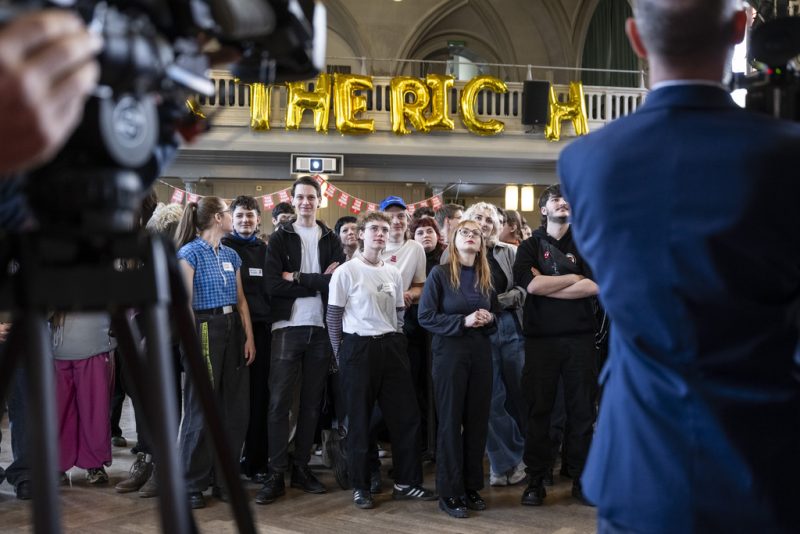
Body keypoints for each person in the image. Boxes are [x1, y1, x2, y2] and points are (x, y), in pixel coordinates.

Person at [558, 1, 800, 532]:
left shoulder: (586, 161)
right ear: (739, 29)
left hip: (639, 464)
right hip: (763, 458)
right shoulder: (785, 155)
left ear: (636, 38)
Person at [327, 211, 436, 510]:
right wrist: (340, 354)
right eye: (374, 228)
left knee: (407, 417)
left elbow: (399, 312)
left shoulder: (392, 272)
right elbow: (333, 317)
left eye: (384, 230)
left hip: (392, 345)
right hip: (358, 347)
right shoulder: (346, 271)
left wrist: (396, 338)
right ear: (361, 234)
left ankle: (406, 483)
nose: (380, 234)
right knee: (360, 420)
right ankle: (361, 486)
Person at [257, 176, 345, 505]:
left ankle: (301, 467)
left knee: (311, 404)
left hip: (321, 328)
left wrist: (296, 277)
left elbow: (337, 283)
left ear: (320, 200)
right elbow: (271, 285)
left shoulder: (330, 238)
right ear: (293, 201)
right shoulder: (280, 238)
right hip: (287, 327)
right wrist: (317, 282)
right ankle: (275, 472)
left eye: (311, 197)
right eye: (301, 197)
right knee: (279, 403)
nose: (306, 202)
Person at [513, 184, 599, 507]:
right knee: (539, 411)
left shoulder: (587, 243)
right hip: (541, 342)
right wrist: (575, 278)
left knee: (582, 411)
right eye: (555, 199)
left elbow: (595, 286)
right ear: (543, 209)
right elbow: (532, 285)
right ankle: (536, 479)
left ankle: (581, 479)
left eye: (567, 199)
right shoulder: (529, 246)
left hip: (580, 339)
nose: (563, 203)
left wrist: (552, 285)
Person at [175, 196, 256, 509]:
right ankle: (191, 482)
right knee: (201, 408)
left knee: (235, 409)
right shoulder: (189, 253)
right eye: (228, 212)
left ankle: (225, 479)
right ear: (217, 218)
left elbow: (241, 301)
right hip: (204, 328)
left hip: (233, 329)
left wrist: (249, 338)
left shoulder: (232, 255)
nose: (232, 217)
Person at [418, 219, 498, 519]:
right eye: (464, 232)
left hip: (480, 353)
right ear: (453, 240)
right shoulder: (440, 274)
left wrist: (489, 318)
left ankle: (471, 486)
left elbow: (496, 313)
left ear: (481, 243)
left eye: (476, 233)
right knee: (450, 423)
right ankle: (450, 492)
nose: (471, 236)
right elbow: (426, 316)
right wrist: (462, 321)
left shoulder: (484, 275)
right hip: (450, 353)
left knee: (477, 422)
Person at [461, 202, 527, 487]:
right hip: (478, 331)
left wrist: (495, 303)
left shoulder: (509, 251)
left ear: (497, 226)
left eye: (489, 220)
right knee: (489, 399)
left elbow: (523, 289)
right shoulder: (458, 252)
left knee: (520, 395)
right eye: (478, 217)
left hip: (510, 325)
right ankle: (506, 459)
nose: (483, 223)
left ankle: (525, 458)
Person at [222, 195, 272, 484]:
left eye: (250, 215)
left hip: (262, 331)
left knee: (259, 397)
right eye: (239, 215)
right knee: (231, 399)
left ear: (257, 219)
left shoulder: (265, 251)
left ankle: (256, 461)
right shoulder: (223, 248)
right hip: (231, 331)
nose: (245, 220)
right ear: (232, 218)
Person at [51, 312, 116, 485]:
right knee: (59, 411)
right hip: (56, 345)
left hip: (94, 341)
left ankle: (94, 463)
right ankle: (57, 463)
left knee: (95, 409)